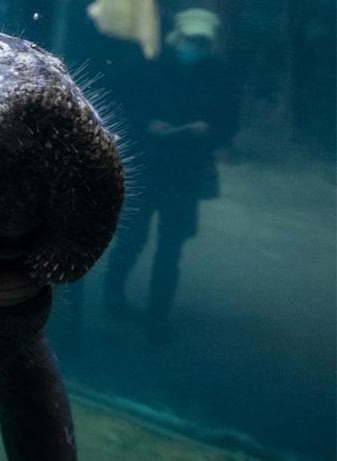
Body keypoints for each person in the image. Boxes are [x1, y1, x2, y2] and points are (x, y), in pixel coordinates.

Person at [102, 7, 239, 344]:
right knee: (132, 237)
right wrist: (144, 124)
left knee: (170, 248)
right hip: (147, 164)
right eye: (192, 39)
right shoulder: (146, 65)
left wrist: (210, 130)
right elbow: (114, 103)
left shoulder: (219, 74)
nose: (196, 46)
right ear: (178, 37)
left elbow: (229, 122)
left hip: (185, 171)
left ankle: (157, 318)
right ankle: (113, 297)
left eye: (201, 42)